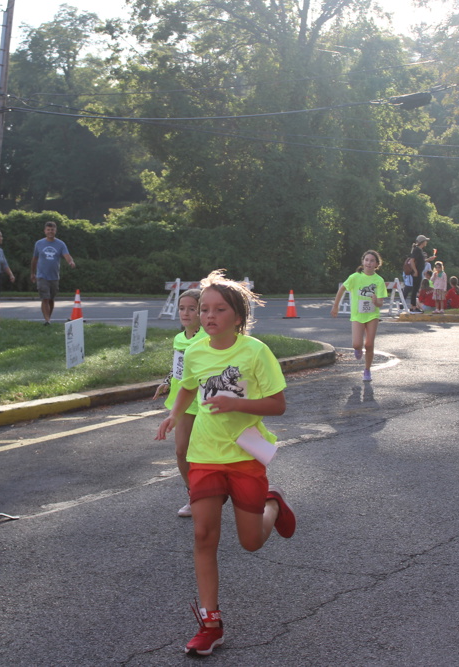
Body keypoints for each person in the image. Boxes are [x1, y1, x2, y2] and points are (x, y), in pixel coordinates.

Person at [155, 270, 294, 657]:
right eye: (204, 309)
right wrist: (174, 414)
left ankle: (272, 504)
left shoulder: (255, 352)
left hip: (245, 455)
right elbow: (187, 386)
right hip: (204, 455)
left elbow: (278, 405)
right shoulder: (195, 351)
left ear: (238, 316)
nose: (209, 316)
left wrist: (237, 404)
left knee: (251, 542)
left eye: (219, 309)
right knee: (203, 536)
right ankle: (210, 623)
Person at [152, 288, 207, 517]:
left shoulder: (208, 338)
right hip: (182, 402)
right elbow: (180, 367)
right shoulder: (179, 338)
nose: (185, 313)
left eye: (192, 309)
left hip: (204, 401)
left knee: (207, 452)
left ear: (202, 312)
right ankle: (193, 494)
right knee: (181, 451)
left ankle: (221, 491)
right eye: (182, 308)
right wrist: (167, 381)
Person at [331, 250, 387, 382]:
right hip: (357, 315)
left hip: (372, 315)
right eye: (366, 260)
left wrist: (376, 301)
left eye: (372, 261)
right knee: (357, 344)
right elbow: (342, 289)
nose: (369, 263)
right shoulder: (355, 277)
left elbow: (380, 303)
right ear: (363, 262)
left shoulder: (379, 280)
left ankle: (367, 370)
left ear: (376, 264)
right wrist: (336, 306)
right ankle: (358, 349)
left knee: (369, 344)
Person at [30, 221, 76, 325]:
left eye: (52, 230)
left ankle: (48, 319)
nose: (50, 232)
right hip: (42, 276)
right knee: (45, 298)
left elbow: (66, 255)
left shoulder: (60, 244)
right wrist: (32, 273)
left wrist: (71, 262)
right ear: (45, 231)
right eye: (48, 230)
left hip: (54, 276)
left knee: (51, 299)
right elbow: (34, 259)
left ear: (55, 231)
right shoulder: (39, 243)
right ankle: (47, 320)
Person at [406, 235, 435, 313]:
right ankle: (413, 307)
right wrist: (415, 271)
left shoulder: (419, 250)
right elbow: (412, 261)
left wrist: (428, 259)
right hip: (417, 272)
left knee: (416, 289)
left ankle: (414, 306)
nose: (426, 242)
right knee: (415, 289)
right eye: (425, 241)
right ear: (422, 242)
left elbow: (420, 261)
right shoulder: (416, 250)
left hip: (419, 272)